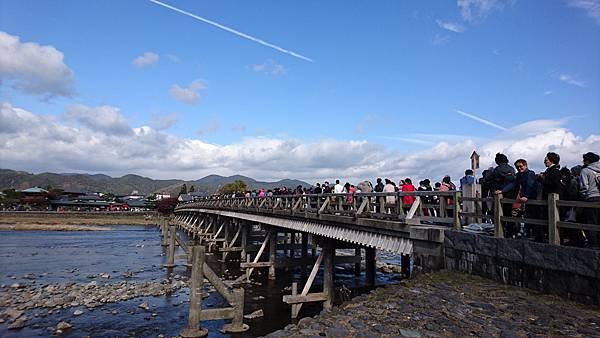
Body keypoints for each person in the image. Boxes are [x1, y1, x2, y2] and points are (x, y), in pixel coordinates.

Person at [501, 159, 538, 239]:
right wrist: (502, 191)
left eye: (521, 166)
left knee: (534, 217)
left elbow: (530, 185)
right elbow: (514, 184)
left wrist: (526, 196)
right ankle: (528, 234)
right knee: (528, 216)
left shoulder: (530, 173)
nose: (519, 168)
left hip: (533, 197)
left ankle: (536, 236)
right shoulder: (519, 175)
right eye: (517, 167)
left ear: (525, 165)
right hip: (526, 198)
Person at [579, 152, 600, 248]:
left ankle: (593, 243)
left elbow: (584, 187)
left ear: (588, 160)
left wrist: (584, 196)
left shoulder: (585, 171)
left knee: (591, 222)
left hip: (591, 198)